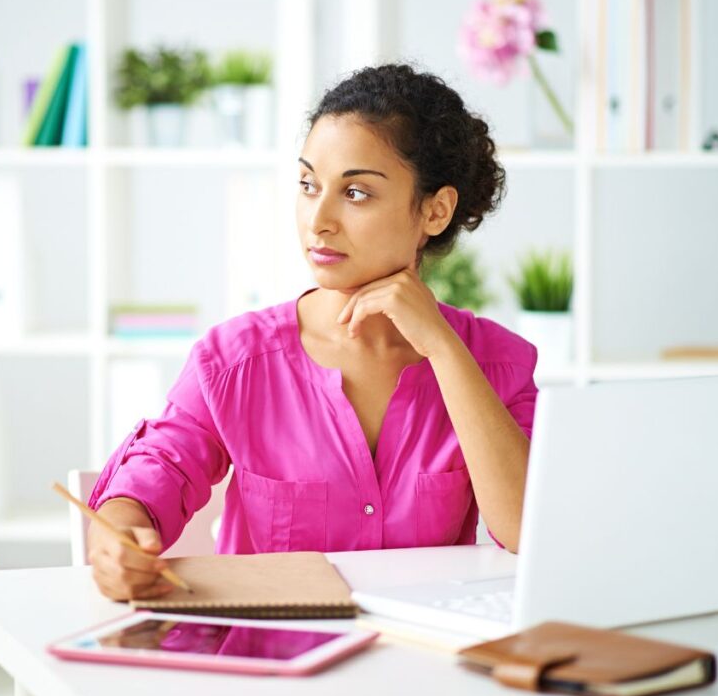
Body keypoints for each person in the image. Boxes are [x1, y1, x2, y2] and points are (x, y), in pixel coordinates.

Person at [87, 64, 538, 602]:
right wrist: (118, 535)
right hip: (270, 664)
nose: (318, 220)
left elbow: (526, 530)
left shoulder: (498, 362)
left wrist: (443, 347)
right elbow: (151, 475)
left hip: (421, 667)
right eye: (308, 185)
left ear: (435, 211)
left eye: (356, 193)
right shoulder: (234, 361)